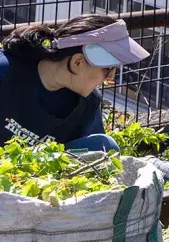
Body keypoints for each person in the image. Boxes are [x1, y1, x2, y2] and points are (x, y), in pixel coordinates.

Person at [1, 14, 150, 152]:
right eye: (108, 69)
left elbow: (99, 153)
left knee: (105, 146)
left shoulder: (87, 104)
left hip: (30, 176)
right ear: (77, 62)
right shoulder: (5, 70)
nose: (111, 77)